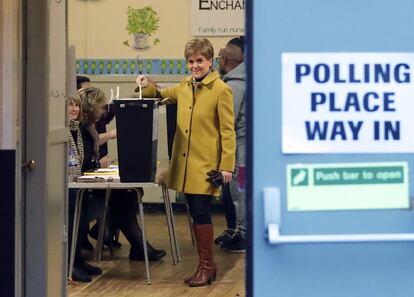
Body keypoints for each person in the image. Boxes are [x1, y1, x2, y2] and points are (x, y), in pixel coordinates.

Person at [136, 37, 236, 287]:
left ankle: (207, 265)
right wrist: (145, 84)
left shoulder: (221, 90)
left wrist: (226, 166)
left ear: (210, 61)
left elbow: (228, 131)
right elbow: (159, 94)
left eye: (199, 61)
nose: (194, 66)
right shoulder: (184, 85)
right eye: (190, 61)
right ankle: (205, 266)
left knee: (201, 211)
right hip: (185, 164)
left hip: (207, 165)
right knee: (194, 212)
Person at [77, 87, 166, 262]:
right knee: (125, 199)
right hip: (85, 186)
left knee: (130, 194)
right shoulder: (82, 128)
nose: (103, 112)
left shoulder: (88, 127)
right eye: (101, 108)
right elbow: (82, 162)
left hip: (91, 181)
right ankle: (138, 246)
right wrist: (98, 163)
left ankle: (128, 240)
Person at [67, 95, 105, 282]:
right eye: (70, 105)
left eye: (76, 106)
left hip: (76, 183)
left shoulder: (78, 131)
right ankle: (70, 265)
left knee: (82, 214)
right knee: (74, 211)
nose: (74, 109)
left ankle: (78, 260)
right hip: (64, 185)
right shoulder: (62, 132)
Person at [217, 38, 247, 253]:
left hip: (241, 149)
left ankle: (243, 235)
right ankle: (241, 232)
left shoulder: (234, 86)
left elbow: (228, 120)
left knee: (240, 191)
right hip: (248, 147)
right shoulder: (246, 80)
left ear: (225, 60)